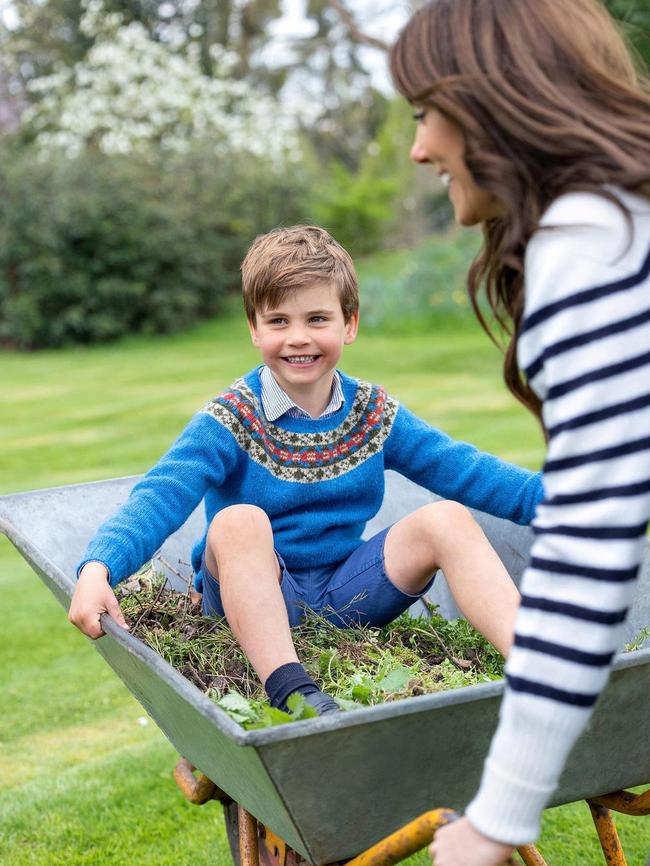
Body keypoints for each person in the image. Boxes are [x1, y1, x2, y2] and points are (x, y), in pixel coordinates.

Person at [69, 225, 542, 716]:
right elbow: (161, 493)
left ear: (349, 324)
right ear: (254, 328)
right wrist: (99, 566)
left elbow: (464, 469)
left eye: (317, 318)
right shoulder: (232, 418)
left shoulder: (372, 412)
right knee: (237, 521)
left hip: (346, 593)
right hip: (251, 598)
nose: (298, 338)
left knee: (446, 517)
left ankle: (535, 666)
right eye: (278, 321)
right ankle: (293, 691)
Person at [390, 0, 650, 863]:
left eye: (428, 114)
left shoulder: (589, 252)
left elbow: (589, 557)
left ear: (492, 104)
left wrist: (498, 815)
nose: (421, 148)